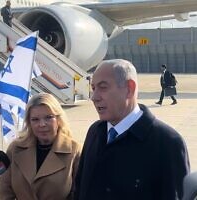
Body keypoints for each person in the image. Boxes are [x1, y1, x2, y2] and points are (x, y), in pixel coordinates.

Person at [74, 59, 190, 200]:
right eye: (93, 88)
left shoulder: (167, 143)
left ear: (129, 89)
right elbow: (80, 189)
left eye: (103, 87)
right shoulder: (95, 132)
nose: (94, 97)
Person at [0, 93, 81, 200]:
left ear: (58, 119)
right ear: (29, 122)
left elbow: (79, 194)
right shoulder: (15, 148)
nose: (42, 124)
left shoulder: (74, 150)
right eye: (35, 119)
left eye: (48, 117)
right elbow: (3, 192)